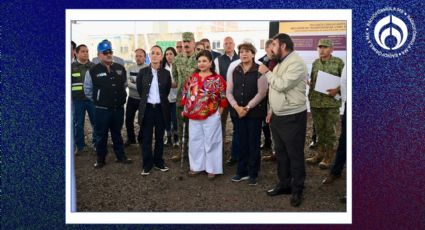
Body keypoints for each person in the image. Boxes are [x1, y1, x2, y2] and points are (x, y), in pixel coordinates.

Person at [259, 33, 308, 207]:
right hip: (279, 116)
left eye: (274, 45)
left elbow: (281, 85)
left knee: (294, 154)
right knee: (281, 153)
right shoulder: (281, 62)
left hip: (293, 116)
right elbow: (275, 91)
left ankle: (297, 190)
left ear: (283, 46)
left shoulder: (296, 63)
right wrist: (272, 110)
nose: (271, 48)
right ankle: (284, 184)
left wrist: (267, 73)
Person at [84, 40, 133, 168]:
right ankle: (100, 159)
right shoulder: (92, 71)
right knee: (101, 135)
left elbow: (125, 85)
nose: (108, 54)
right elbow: (88, 90)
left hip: (118, 109)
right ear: (99, 55)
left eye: (110, 52)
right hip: (102, 110)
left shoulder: (120, 68)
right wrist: (99, 100)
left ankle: (121, 156)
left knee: (117, 133)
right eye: (105, 52)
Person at [181, 50, 227, 180]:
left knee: (212, 141)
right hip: (194, 115)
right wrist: (185, 108)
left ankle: (212, 168)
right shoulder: (192, 78)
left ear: (210, 62)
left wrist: (219, 113)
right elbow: (186, 94)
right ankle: (196, 167)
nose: (201, 64)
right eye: (199, 61)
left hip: (211, 115)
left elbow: (223, 96)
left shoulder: (217, 79)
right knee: (195, 140)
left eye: (204, 61)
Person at [227, 43, 267, 186]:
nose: (244, 54)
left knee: (253, 143)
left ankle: (253, 174)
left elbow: (262, 93)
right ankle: (241, 172)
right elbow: (228, 92)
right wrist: (236, 107)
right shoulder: (235, 70)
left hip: (254, 113)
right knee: (241, 142)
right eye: (241, 51)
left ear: (253, 54)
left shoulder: (259, 70)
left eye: (247, 51)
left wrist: (248, 107)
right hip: (238, 112)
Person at [305, 39, 345, 170]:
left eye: (325, 47)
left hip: (331, 104)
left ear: (332, 49)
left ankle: (329, 156)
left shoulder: (339, 62)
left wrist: (337, 90)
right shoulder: (316, 63)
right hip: (316, 102)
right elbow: (314, 80)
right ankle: (320, 154)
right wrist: (310, 85)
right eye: (319, 47)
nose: (321, 50)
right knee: (319, 130)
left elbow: (346, 80)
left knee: (330, 131)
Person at [137, 45, 172, 175]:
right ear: (149, 56)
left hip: (160, 109)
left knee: (159, 137)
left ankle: (159, 161)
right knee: (146, 138)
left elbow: (166, 91)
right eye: (153, 53)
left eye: (158, 53)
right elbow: (141, 91)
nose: (155, 55)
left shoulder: (166, 74)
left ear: (161, 56)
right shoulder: (142, 73)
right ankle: (147, 164)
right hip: (147, 110)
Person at [171, 32, 199, 162]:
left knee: (195, 128)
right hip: (181, 99)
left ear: (194, 43)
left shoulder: (200, 58)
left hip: (197, 101)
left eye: (189, 41)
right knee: (181, 126)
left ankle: (196, 154)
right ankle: (183, 153)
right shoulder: (177, 59)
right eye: (184, 41)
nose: (186, 44)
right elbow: (175, 76)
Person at [214, 36, 240, 166]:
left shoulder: (241, 58)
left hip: (237, 98)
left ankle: (235, 154)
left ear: (234, 44)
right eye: (226, 43)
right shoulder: (218, 60)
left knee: (237, 126)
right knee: (220, 125)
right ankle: (220, 152)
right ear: (223, 46)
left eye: (230, 43)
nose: (228, 45)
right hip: (223, 98)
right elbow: (217, 80)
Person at [322, 65, 347, 185]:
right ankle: (336, 171)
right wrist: (338, 89)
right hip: (348, 104)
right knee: (344, 140)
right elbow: (345, 79)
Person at [71, 44, 96, 155]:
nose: (86, 53)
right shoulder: (71, 67)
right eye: (83, 51)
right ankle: (80, 146)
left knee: (96, 123)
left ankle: (96, 144)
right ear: (76, 53)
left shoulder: (93, 66)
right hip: (78, 100)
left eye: (87, 51)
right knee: (78, 124)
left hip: (91, 100)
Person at [124, 48, 148, 147]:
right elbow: (127, 83)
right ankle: (131, 139)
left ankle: (141, 138)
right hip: (132, 98)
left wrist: (134, 83)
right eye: (136, 56)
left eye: (140, 56)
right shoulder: (130, 68)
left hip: (143, 99)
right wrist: (138, 85)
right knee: (128, 119)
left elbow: (146, 85)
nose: (138, 58)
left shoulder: (148, 69)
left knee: (143, 120)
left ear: (145, 57)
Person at [258, 39, 277, 159]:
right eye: (272, 47)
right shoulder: (261, 61)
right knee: (264, 120)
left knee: (275, 122)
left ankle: (276, 150)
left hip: (275, 96)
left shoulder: (279, 61)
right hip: (263, 96)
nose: (274, 49)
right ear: (266, 49)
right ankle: (268, 142)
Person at [162, 47, 179, 147]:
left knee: (175, 119)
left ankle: (176, 139)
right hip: (166, 98)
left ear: (175, 55)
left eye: (171, 54)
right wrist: (169, 84)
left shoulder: (177, 66)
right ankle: (168, 138)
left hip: (176, 97)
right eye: (167, 54)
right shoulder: (162, 66)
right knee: (166, 119)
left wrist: (176, 83)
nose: (169, 56)